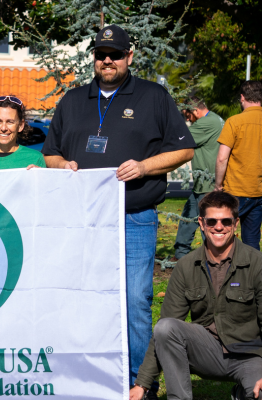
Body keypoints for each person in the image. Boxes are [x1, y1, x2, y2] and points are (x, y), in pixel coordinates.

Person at [41, 24, 195, 396]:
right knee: (80, 296)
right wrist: (63, 166)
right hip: (82, 220)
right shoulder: (74, 99)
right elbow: (50, 152)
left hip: (134, 217)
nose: (106, 60)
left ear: (129, 56)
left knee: (135, 301)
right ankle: (85, 375)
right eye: (100, 54)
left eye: (114, 54)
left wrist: (144, 167)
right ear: (93, 58)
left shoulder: (153, 96)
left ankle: (138, 384)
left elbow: (184, 150)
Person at [131, 191, 262, 400]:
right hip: (205, 351)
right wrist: (142, 384)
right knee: (165, 328)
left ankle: (243, 391)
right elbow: (165, 330)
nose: (219, 227)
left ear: (235, 223)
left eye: (226, 221)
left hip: (249, 355)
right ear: (201, 223)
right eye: (212, 221)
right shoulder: (186, 266)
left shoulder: (257, 263)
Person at [173, 97, 224, 259]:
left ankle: (213, 261)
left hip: (208, 184)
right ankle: (181, 256)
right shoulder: (216, 119)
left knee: (207, 225)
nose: (187, 119)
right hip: (202, 184)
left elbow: (180, 139)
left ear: (195, 110)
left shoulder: (205, 123)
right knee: (188, 218)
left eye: (187, 114)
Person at [215, 80, 262, 250]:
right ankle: (253, 275)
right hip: (258, 191)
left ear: (242, 98)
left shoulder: (234, 122)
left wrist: (218, 185)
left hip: (235, 191)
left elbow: (222, 158)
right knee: (252, 241)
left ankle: (222, 271)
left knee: (221, 234)